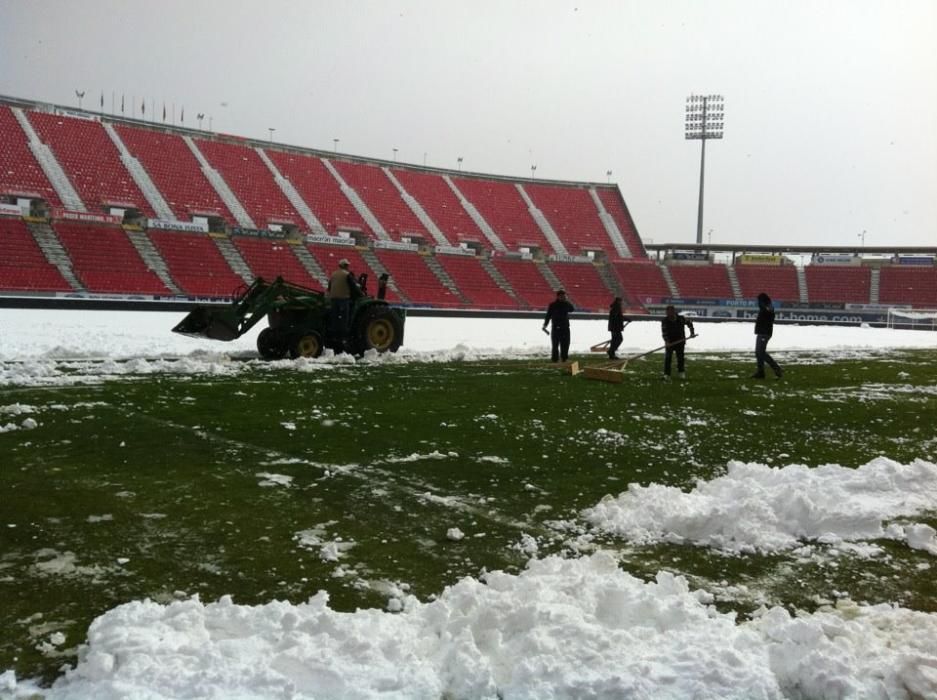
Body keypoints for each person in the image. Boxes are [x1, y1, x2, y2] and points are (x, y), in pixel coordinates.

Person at [327, 258, 359, 342]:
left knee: (335, 319)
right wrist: (360, 294)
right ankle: (343, 338)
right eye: (347, 265)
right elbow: (354, 287)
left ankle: (334, 336)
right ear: (345, 266)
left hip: (333, 299)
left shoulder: (333, 274)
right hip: (343, 299)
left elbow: (329, 287)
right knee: (344, 319)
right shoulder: (347, 274)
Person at [753, 292, 783, 379]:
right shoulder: (767, 307)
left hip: (764, 333)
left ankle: (776, 368)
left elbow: (768, 316)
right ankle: (760, 373)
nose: (758, 302)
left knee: (761, 353)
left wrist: (763, 306)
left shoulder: (767, 308)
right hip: (762, 332)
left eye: (759, 301)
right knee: (759, 353)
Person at [661, 305, 695, 380]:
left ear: (674, 312)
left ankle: (681, 373)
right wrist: (667, 342)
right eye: (667, 313)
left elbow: (690, 323)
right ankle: (667, 375)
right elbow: (664, 332)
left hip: (680, 341)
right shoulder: (665, 321)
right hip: (670, 342)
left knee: (680, 358)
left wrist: (692, 333)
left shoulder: (681, 319)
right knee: (668, 359)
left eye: (670, 312)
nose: (669, 314)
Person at [543, 289, 574, 363]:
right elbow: (548, 315)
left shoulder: (566, 304)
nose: (563, 297)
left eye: (564, 296)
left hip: (565, 327)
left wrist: (567, 301)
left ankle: (564, 358)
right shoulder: (552, 305)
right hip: (555, 328)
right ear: (558, 297)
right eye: (561, 296)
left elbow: (572, 309)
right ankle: (555, 359)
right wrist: (545, 324)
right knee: (555, 345)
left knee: (565, 344)